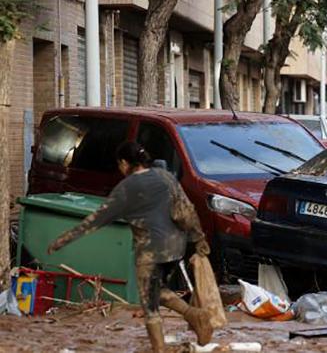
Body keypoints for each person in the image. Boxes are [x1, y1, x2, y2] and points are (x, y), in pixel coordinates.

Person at [47, 142, 213, 352]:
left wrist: (63, 240)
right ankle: (193, 315)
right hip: (176, 247)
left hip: (151, 251)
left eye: (120, 165)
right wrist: (199, 238)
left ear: (125, 163)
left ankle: (160, 348)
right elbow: (186, 210)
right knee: (156, 291)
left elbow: (96, 220)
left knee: (149, 304)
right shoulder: (165, 177)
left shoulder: (126, 188)